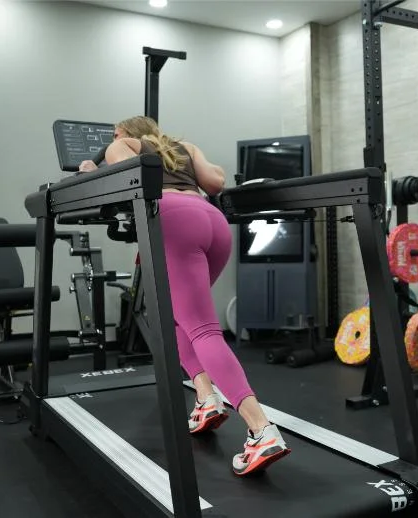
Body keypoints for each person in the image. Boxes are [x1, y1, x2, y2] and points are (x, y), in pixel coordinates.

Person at [78, 115, 290, 476]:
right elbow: (216, 183)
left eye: (115, 134)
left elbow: (124, 182)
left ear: (123, 132)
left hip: (174, 220)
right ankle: (206, 398)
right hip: (212, 222)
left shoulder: (122, 145)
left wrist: (87, 170)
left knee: (203, 328)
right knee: (181, 315)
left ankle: (262, 430)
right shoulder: (185, 148)